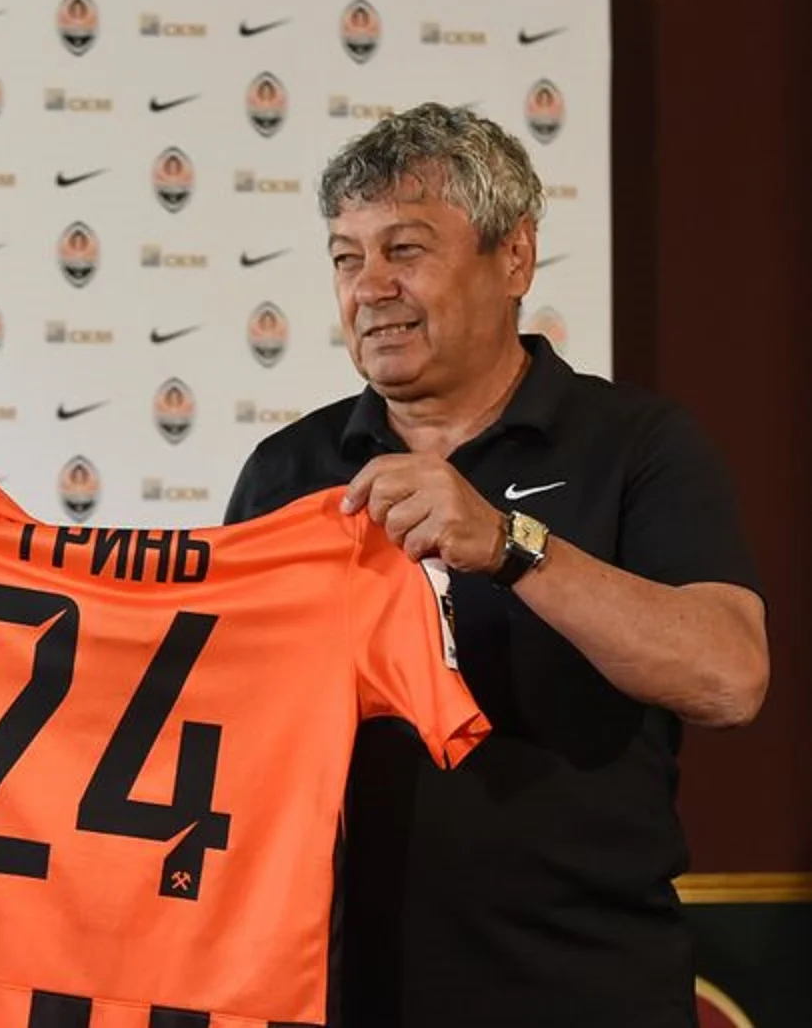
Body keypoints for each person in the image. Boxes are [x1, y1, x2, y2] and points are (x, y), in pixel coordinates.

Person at [224, 103, 769, 1028]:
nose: (371, 287)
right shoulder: (287, 470)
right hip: (340, 996)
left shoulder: (639, 443)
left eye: (405, 249)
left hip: (584, 994)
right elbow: (219, 714)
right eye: (347, 258)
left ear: (513, 257)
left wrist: (511, 546)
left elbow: (728, 677)